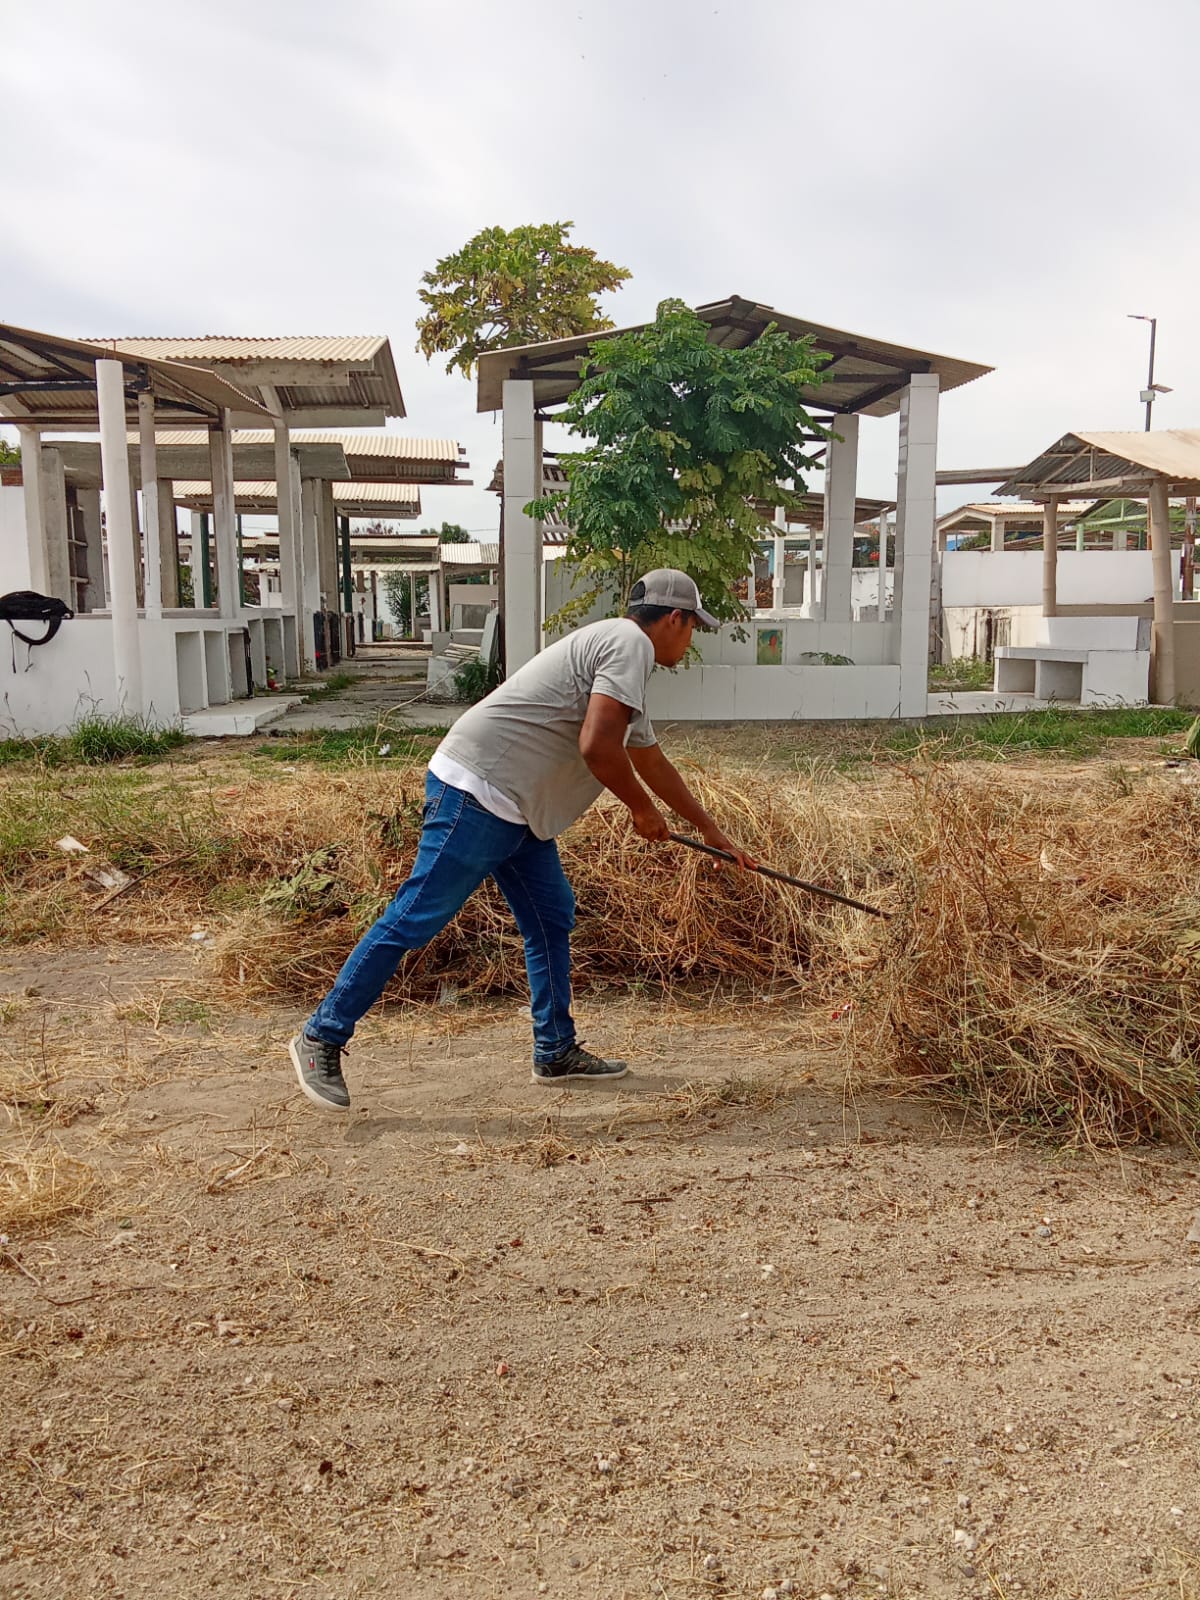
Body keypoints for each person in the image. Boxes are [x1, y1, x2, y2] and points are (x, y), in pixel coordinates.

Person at [288, 569, 755, 1111]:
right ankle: (322, 1034)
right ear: (674, 618)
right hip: (479, 791)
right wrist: (641, 810)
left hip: (516, 809)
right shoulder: (629, 643)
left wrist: (710, 830)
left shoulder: (621, 660)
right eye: (693, 627)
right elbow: (598, 745)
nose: (691, 640)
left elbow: (650, 760)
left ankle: (554, 1050)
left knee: (551, 916)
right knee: (415, 916)